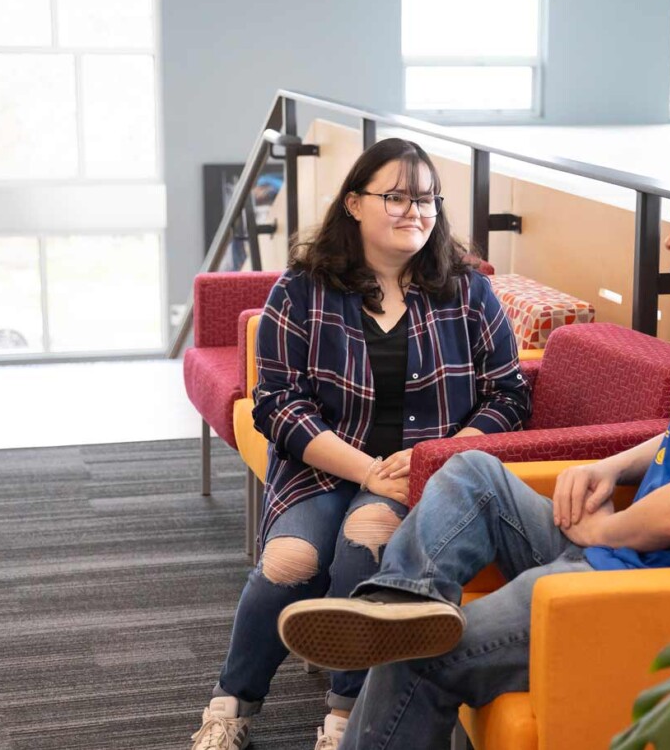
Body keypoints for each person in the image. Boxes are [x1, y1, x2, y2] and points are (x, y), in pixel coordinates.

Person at [277, 148, 670, 749]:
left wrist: (602, 535)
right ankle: (401, 603)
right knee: (473, 472)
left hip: (668, 599)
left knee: (423, 656)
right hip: (631, 566)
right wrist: (610, 465)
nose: (669, 240)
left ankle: (405, 632)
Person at [190, 138, 531, 750]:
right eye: (395, 197)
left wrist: (440, 457)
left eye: (426, 199)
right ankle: (231, 703)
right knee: (289, 561)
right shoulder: (301, 290)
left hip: (417, 471)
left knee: (363, 546)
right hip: (324, 466)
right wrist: (364, 469)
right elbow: (276, 404)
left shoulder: (468, 290)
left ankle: (343, 717)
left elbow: (508, 394)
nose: (415, 212)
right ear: (353, 203)